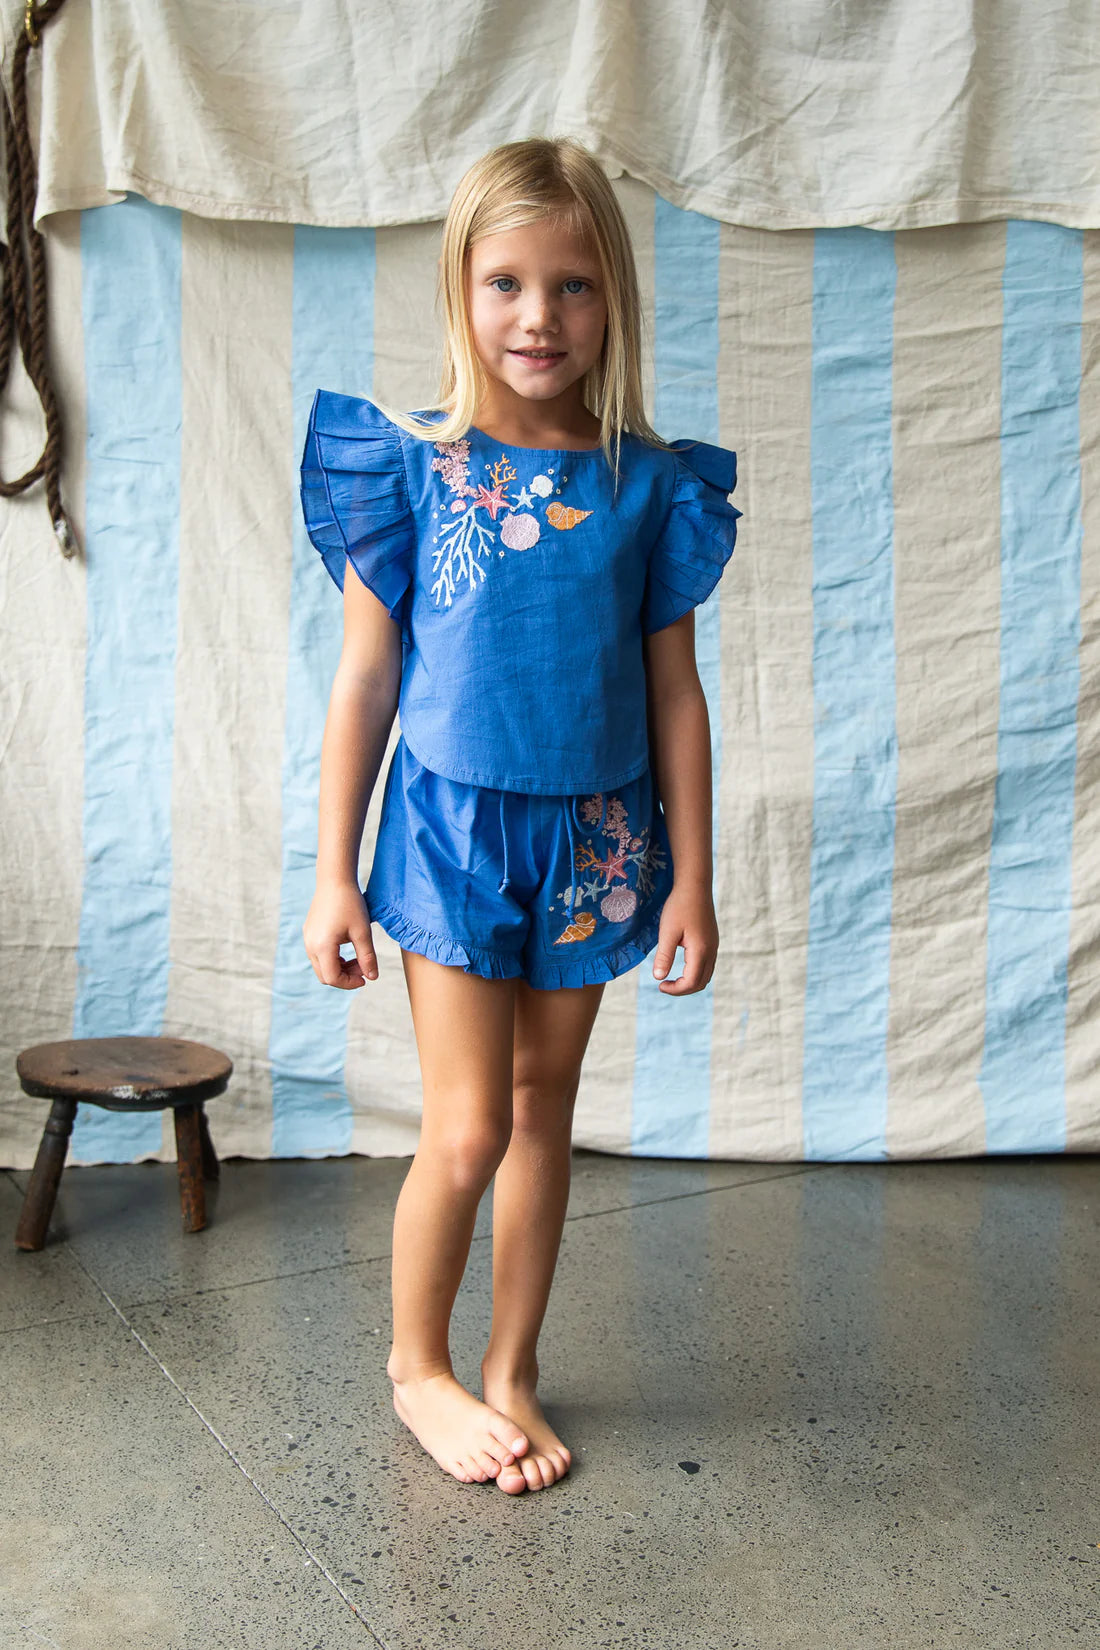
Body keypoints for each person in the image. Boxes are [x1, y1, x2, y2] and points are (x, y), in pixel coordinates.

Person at [299, 136, 741, 1495]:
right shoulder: (420, 468)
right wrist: (333, 874)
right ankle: (418, 1365)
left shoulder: (648, 486)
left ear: (613, 303)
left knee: (547, 1110)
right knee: (468, 1125)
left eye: (572, 286)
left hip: (598, 848)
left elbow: (675, 697)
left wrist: (692, 879)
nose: (538, 317)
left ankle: (512, 1364)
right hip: (449, 837)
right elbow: (367, 680)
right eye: (505, 283)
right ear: (460, 291)